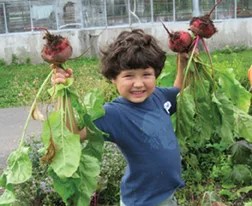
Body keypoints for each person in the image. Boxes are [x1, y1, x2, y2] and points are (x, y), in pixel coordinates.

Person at [52, 29, 188, 206]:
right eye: (129, 76)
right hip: (141, 202)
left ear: (156, 74)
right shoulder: (113, 114)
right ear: (113, 79)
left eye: (146, 74)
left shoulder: (159, 97)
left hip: (167, 195)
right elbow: (73, 134)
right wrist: (63, 93)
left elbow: (179, 91)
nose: (138, 84)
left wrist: (183, 62)